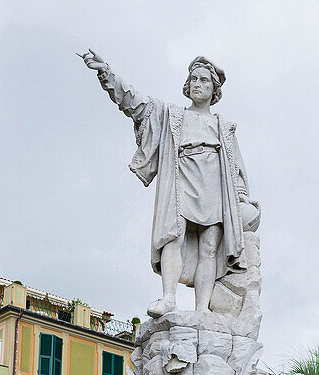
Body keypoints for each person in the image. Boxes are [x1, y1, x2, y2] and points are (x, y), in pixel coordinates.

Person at [81, 50, 259, 316]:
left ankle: (202, 309)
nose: (197, 84)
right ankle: (168, 298)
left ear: (214, 89)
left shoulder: (225, 127)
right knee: (172, 236)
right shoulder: (171, 115)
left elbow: (236, 169)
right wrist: (106, 73)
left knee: (210, 246)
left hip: (214, 184)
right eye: (194, 79)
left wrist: (242, 197)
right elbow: (134, 103)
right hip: (181, 178)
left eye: (204, 81)